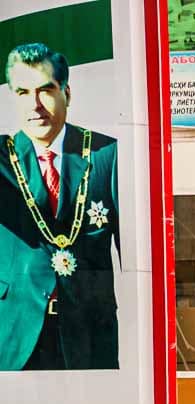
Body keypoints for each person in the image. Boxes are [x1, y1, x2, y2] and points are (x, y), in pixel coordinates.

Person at [0, 42, 121, 370]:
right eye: (22, 93)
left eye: (45, 90)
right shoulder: (2, 158)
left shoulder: (107, 155)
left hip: (89, 336)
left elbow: (139, 252)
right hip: (15, 336)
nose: (34, 105)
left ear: (67, 92)